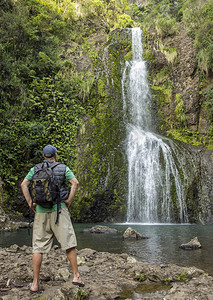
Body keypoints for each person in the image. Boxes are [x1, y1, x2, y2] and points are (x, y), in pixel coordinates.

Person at [21, 145, 84, 293]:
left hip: (40, 213)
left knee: (38, 248)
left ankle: (35, 284)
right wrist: (69, 200)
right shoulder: (63, 168)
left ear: (43, 155)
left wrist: (31, 203)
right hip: (59, 210)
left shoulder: (35, 169)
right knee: (69, 244)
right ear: (55, 155)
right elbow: (75, 182)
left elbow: (24, 184)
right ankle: (76, 276)